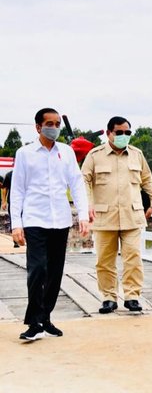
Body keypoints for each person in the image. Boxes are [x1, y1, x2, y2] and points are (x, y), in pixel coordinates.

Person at [10, 108, 89, 341]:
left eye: (57, 124)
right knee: (37, 269)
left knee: (55, 272)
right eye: (49, 124)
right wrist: (17, 224)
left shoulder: (65, 153)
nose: (54, 128)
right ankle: (33, 323)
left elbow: (76, 184)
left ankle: (45, 317)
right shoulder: (24, 153)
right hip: (35, 219)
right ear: (38, 127)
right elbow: (18, 190)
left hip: (61, 220)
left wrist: (82, 215)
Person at [82, 116, 152, 314]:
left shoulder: (137, 155)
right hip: (104, 217)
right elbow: (84, 180)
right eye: (119, 132)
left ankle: (132, 296)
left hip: (132, 215)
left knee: (133, 257)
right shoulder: (95, 155)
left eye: (127, 133)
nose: (124, 136)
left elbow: (147, 179)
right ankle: (108, 297)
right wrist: (87, 205)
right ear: (109, 133)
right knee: (105, 260)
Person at [1, 170, 19, 247]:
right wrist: (4, 201)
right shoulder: (9, 175)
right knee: (13, 219)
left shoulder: (27, 172)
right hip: (13, 201)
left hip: (26, 201)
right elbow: (5, 188)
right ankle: (15, 241)